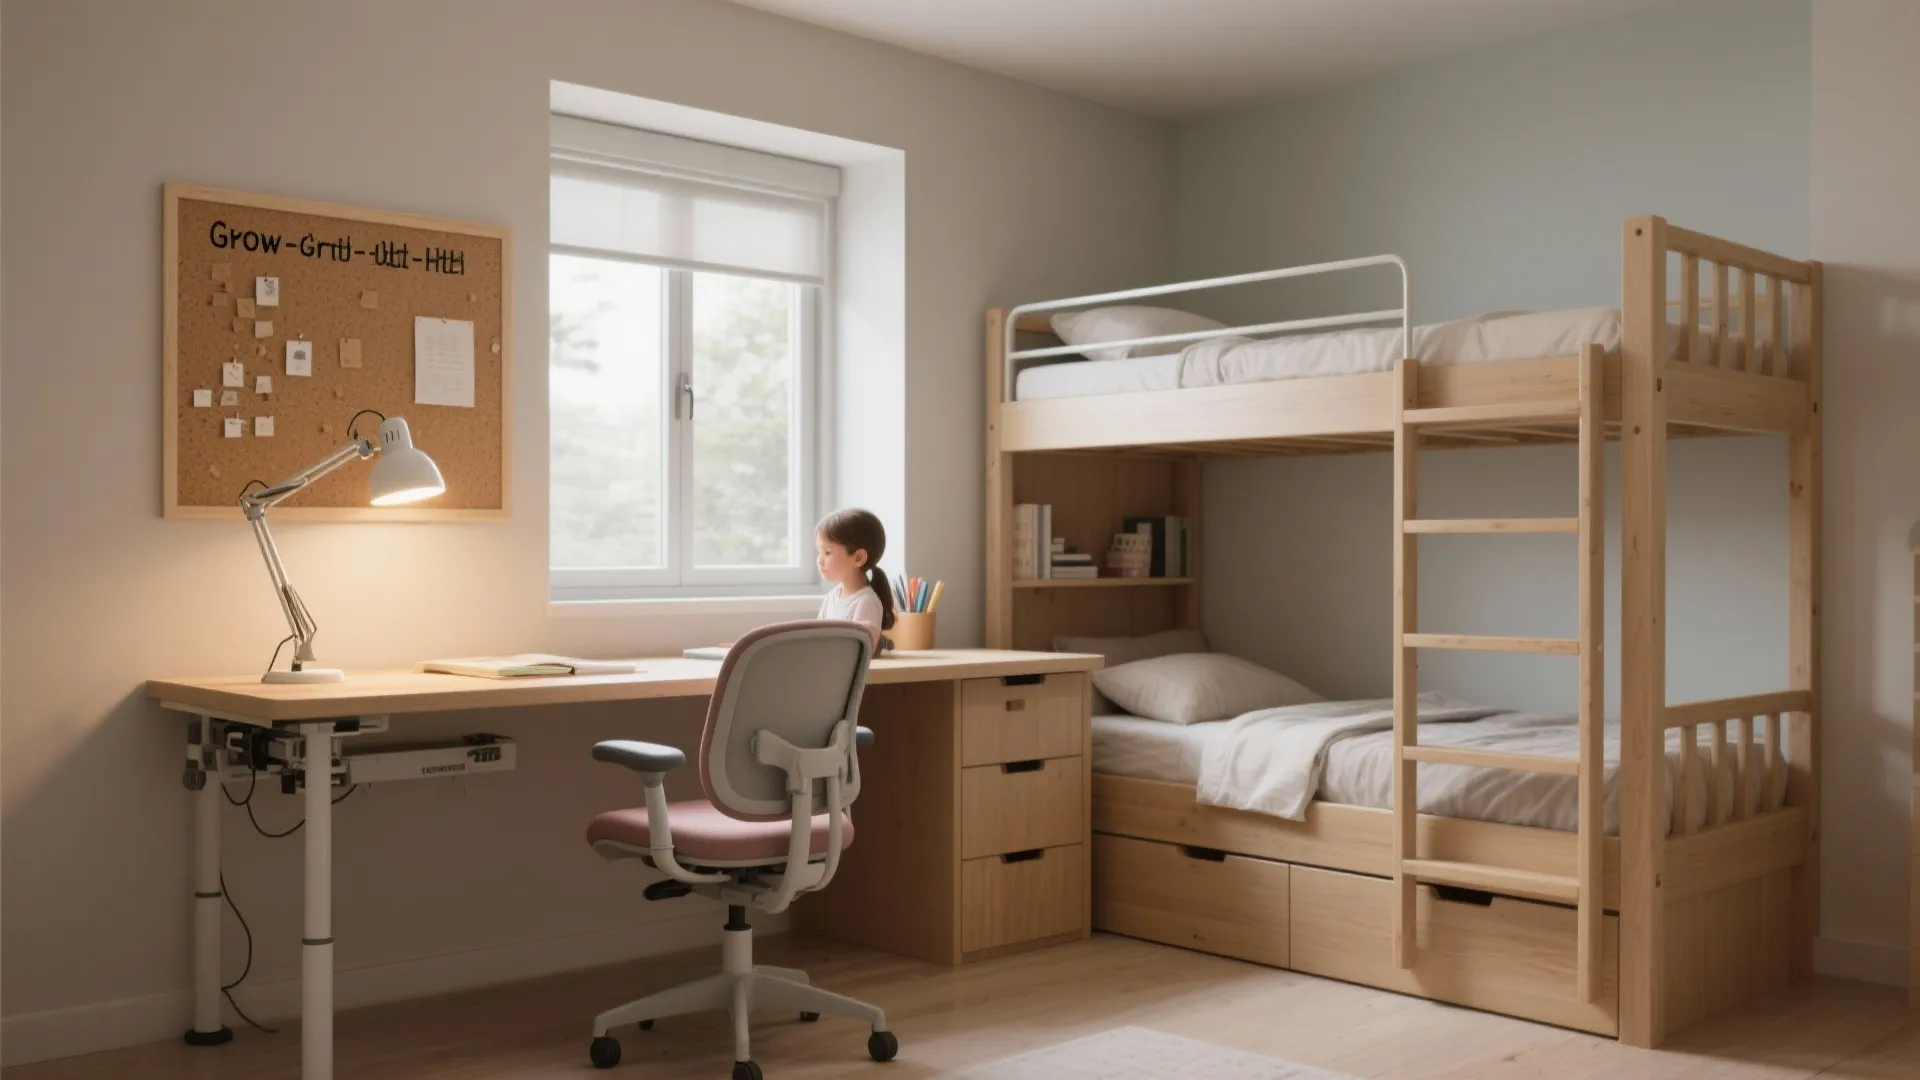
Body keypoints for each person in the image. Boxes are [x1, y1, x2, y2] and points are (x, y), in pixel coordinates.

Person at [814, 508, 895, 652]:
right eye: (819, 552)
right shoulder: (832, 597)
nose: (820, 560)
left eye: (827, 553)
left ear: (858, 558)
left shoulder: (866, 602)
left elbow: (858, 651)